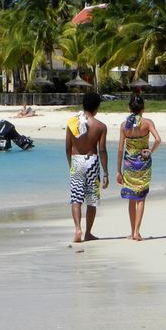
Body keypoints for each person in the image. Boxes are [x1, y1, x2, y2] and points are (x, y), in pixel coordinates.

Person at [65, 92, 109, 243]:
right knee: (91, 199)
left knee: (76, 198)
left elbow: (67, 147)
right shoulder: (100, 126)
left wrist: (71, 165)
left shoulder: (72, 123)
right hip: (92, 162)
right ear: (97, 107)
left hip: (76, 161)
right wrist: (106, 174)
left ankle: (78, 229)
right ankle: (88, 233)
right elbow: (102, 150)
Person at [116, 95, 161, 241]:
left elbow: (120, 149)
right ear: (143, 109)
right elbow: (158, 140)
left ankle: (132, 232)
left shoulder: (124, 126)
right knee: (141, 197)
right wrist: (149, 151)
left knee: (131, 197)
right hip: (143, 163)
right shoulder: (148, 123)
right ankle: (137, 232)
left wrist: (118, 171)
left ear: (129, 108)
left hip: (129, 164)